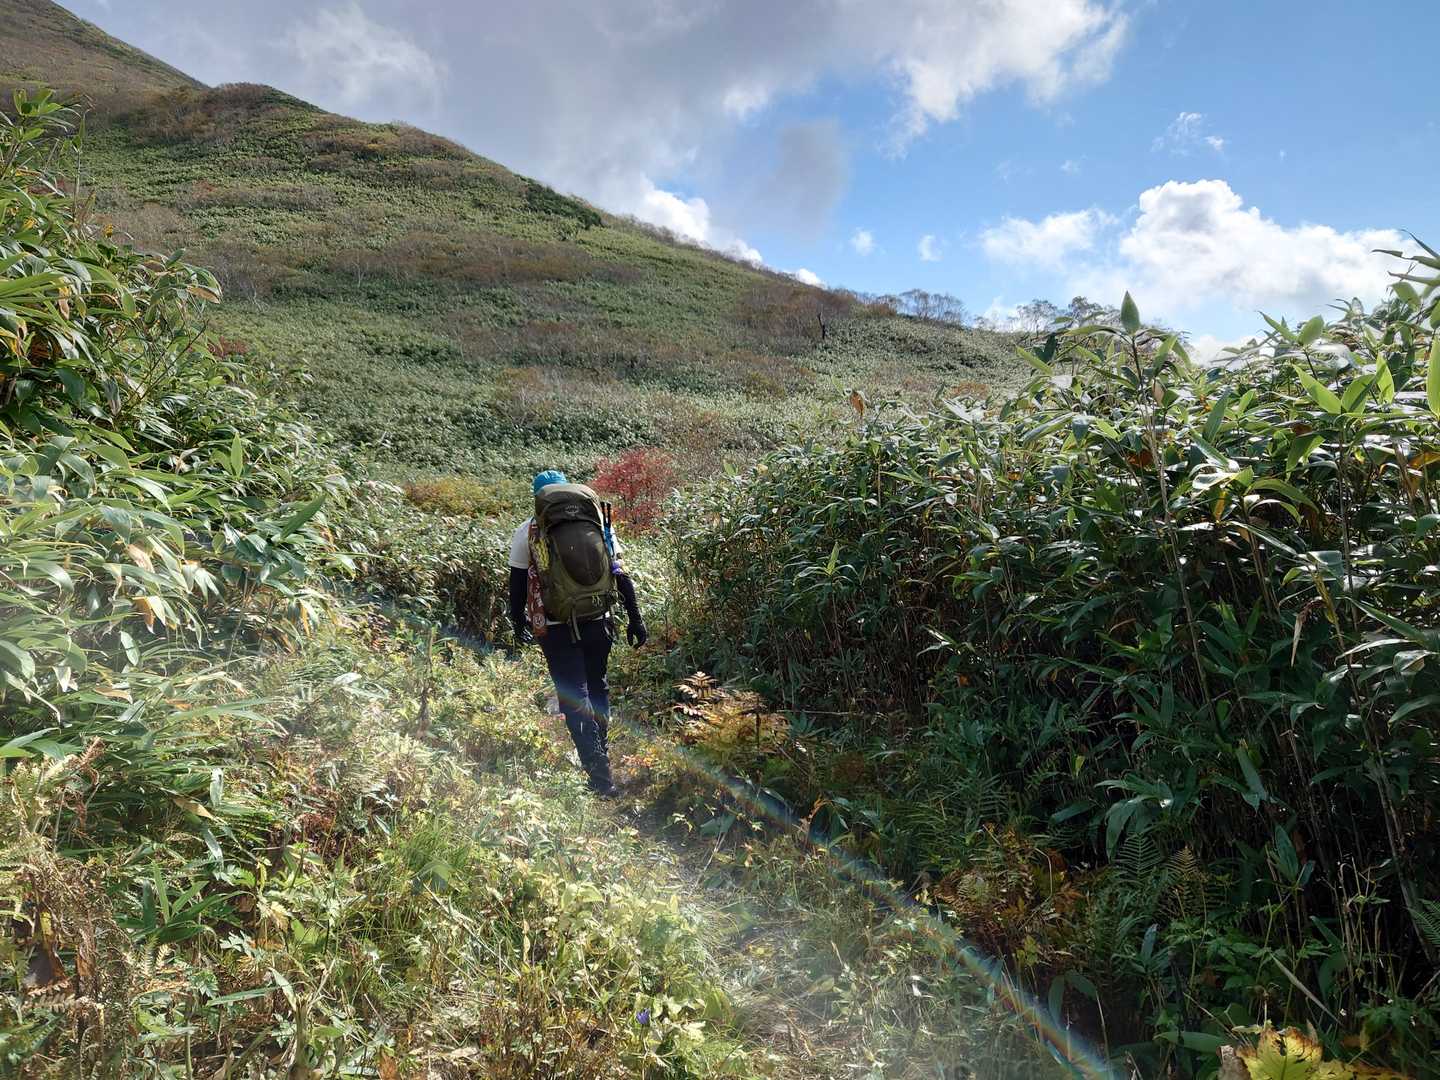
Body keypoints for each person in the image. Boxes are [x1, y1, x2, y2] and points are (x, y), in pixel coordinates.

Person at [508, 470, 648, 796]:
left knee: (574, 696)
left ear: (539, 499)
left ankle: (600, 777)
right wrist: (635, 618)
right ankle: (602, 756)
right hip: (599, 619)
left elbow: (517, 585)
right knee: (597, 687)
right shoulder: (597, 525)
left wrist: (518, 623)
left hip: (556, 626)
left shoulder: (528, 531)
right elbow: (619, 572)